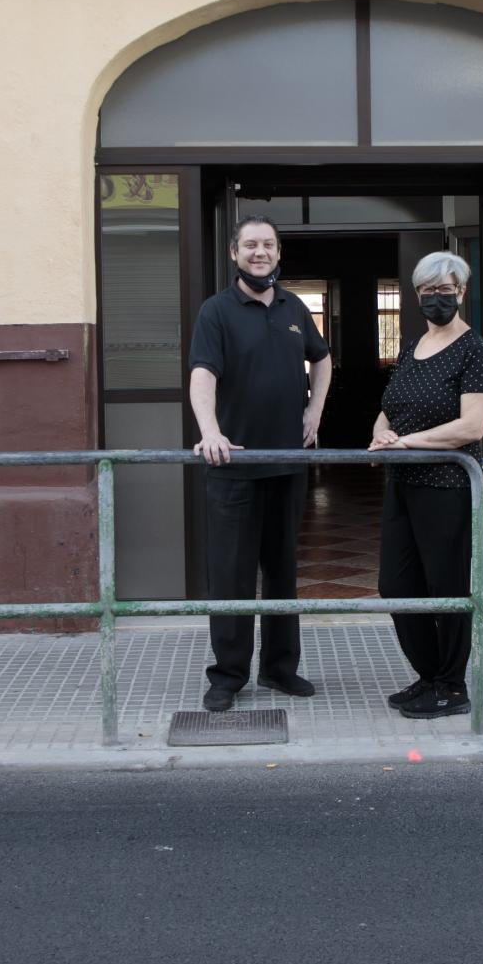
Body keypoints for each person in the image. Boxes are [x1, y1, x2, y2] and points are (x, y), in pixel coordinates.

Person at [189, 214, 332, 713]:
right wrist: (210, 432)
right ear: (235, 253)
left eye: (268, 244)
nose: (260, 252)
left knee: (282, 571)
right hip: (234, 465)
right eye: (250, 244)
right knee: (231, 575)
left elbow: (322, 358)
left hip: (288, 463)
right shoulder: (216, 311)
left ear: (278, 252)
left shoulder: (294, 307)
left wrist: (314, 410)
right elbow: (203, 373)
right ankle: (228, 676)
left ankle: (279, 668)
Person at [368, 250, 483, 720]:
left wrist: (407, 442)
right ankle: (428, 675)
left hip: (447, 486)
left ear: (461, 292)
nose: (436, 297)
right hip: (402, 483)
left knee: (446, 586)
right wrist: (383, 434)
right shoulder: (412, 348)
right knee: (396, 584)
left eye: (446, 289)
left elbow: (472, 427)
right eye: (428, 290)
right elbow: (389, 408)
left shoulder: (476, 350)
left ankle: (451, 685)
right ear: (416, 294)